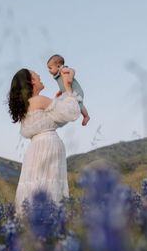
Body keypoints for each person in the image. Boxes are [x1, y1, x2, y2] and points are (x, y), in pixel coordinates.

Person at [8, 67, 80, 213]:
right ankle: (51, 224)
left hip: (35, 150)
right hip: (49, 147)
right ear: (31, 82)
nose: (39, 76)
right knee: (50, 188)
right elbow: (72, 113)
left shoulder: (27, 105)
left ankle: (30, 226)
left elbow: (56, 118)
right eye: (36, 75)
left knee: (35, 186)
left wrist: (61, 99)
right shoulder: (39, 100)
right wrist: (68, 89)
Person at [47, 53, 90, 127]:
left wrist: (70, 77)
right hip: (69, 92)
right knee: (74, 104)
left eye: (50, 68)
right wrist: (60, 91)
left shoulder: (63, 69)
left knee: (78, 105)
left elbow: (72, 70)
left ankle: (86, 116)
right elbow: (63, 84)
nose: (49, 70)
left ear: (58, 66)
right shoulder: (57, 75)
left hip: (76, 91)